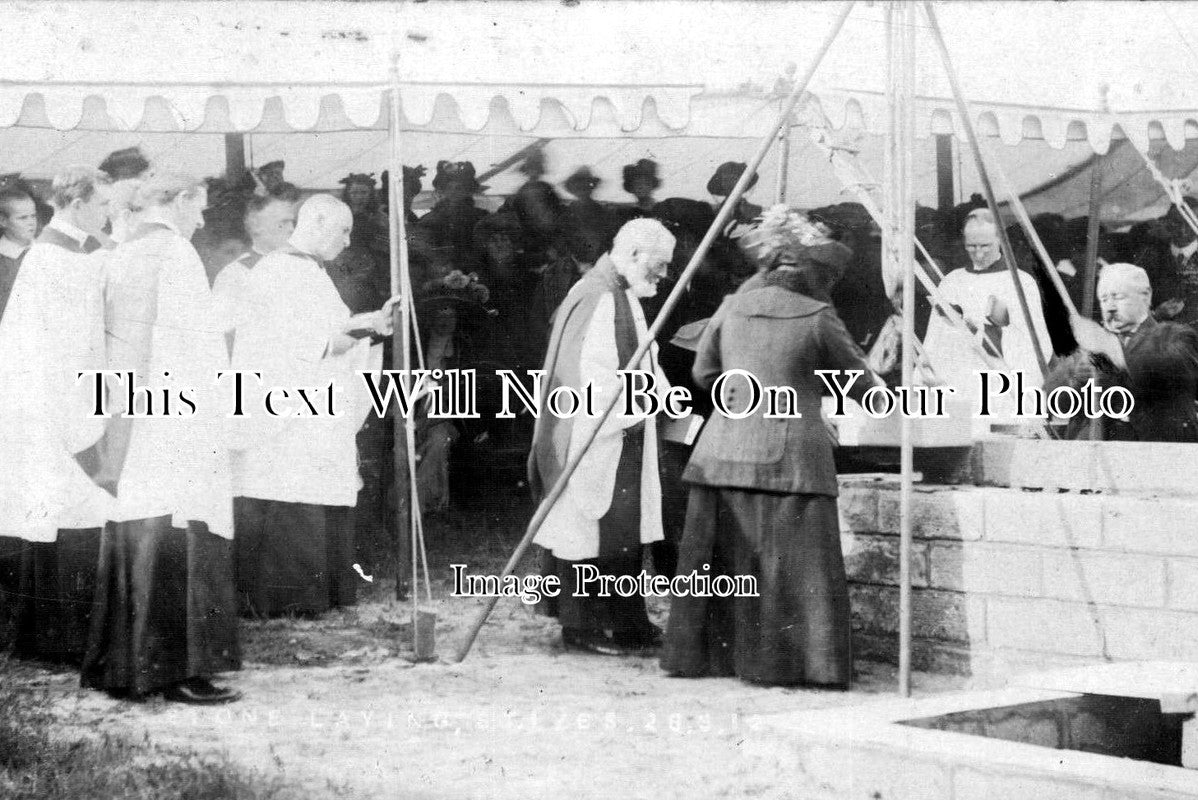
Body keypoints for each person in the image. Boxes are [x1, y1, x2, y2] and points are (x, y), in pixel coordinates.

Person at [662, 206, 881, 688]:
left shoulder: (730, 306)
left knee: (720, 564)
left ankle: (707, 657)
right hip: (791, 459)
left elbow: (703, 375)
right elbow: (867, 389)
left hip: (722, 451)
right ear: (815, 275)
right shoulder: (820, 317)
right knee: (794, 570)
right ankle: (793, 665)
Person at [81, 171, 241, 704]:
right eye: (198, 207)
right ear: (180, 201)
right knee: (181, 530)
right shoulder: (175, 252)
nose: (201, 219)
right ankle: (178, 670)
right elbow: (194, 345)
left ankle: (127, 664)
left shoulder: (124, 251)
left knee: (141, 522)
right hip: (177, 416)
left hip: (134, 416)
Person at [230, 195, 396, 618]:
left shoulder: (306, 270)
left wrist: (371, 324)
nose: (348, 240)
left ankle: (319, 591)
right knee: (293, 489)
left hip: (311, 407)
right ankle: (291, 596)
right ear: (317, 222)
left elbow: (329, 332)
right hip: (286, 410)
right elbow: (313, 343)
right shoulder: (282, 271)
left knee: (314, 484)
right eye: (343, 230)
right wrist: (365, 332)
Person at [530, 217, 676, 656]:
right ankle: (583, 626)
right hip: (592, 437)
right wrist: (641, 406)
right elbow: (591, 380)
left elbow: (641, 359)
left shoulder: (620, 293)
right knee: (587, 529)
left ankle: (627, 620)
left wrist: (666, 398)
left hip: (620, 434)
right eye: (661, 265)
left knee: (620, 534)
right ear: (633, 254)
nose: (664, 275)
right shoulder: (596, 297)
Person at [0, 166, 114, 662]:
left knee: (59, 514)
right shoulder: (54, 259)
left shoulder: (69, 253)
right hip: (49, 402)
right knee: (66, 514)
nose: (108, 214)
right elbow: (69, 346)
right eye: (103, 204)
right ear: (77, 203)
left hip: (54, 399)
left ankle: (49, 636)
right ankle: (63, 639)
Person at [921, 208, 1051, 432]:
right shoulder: (952, 282)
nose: (978, 254)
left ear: (1000, 240)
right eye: (972, 246)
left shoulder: (1021, 283)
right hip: (959, 388)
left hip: (1001, 392)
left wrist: (992, 331)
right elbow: (934, 343)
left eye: (985, 246)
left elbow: (1037, 346)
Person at [1045, 262, 1198, 442]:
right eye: (1104, 299)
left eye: (1118, 297)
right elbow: (1047, 402)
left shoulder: (1173, 337)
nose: (1110, 307)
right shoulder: (1088, 346)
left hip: (1155, 457)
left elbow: (1165, 368)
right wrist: (1073, 378)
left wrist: (1113, 364)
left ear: (1145, 296)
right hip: (1093, 460)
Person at [212, 193, 297, 352]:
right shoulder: (234, 275)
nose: (292, 229)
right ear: (256, 227)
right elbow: (224, 336)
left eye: (292, 222)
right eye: (282, 223)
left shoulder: (303, 269)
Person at [1135, 196, 1198, 328]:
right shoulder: (1150, 256)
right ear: (1167, 221)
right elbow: (1133, 300)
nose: (1183, 231)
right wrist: (1155, 315)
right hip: (1158, 336)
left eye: (1190, 223)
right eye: (1177, 223)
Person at [0, 187, 39, 320]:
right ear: (3, 221)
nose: (31, 222)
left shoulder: (46, 250)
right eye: (23, 218)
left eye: (33, 216)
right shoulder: (3, 262)